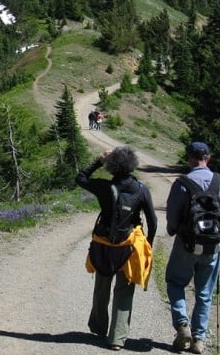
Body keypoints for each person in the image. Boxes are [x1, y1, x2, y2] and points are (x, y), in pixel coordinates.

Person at [76, 146, 157, 351]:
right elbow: (153, 221)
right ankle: (117, 339)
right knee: (124, 291)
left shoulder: (103, 187)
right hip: (129, 246)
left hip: (103, 245)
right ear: (132, 165)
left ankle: (98, 326)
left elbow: (80, 178)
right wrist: (149, 243)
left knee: (102, 287)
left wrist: (98, 161)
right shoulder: (141, 189)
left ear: (111, 167)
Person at [165, 141, 220, 354]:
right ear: (208, 158)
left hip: (186, 244)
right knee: (204, 293)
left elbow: (172, 216)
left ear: (189, 158)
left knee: (175, 282)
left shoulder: (183, 183)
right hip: (213, 247)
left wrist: (173, 230)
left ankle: (182, 324)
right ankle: (199, 340)